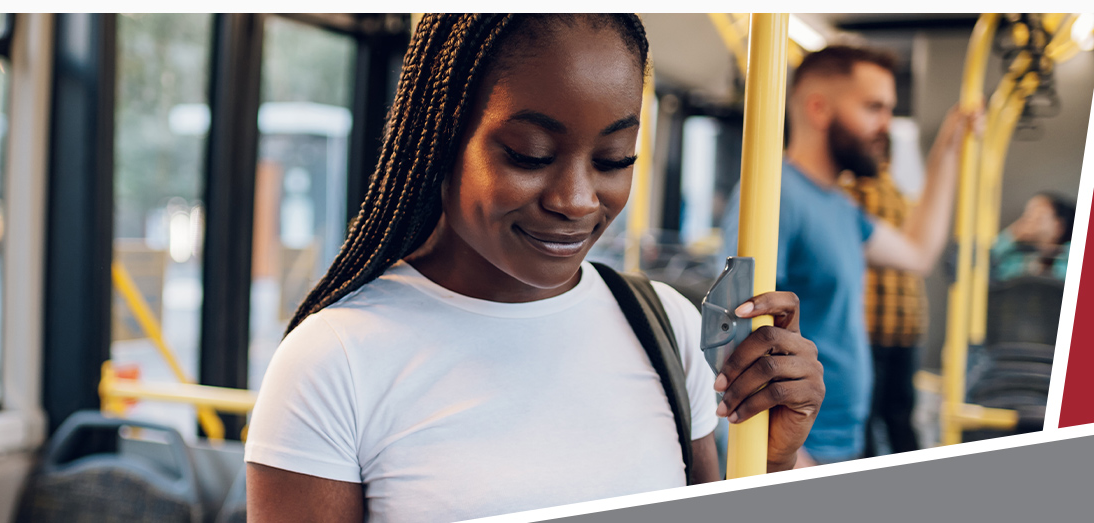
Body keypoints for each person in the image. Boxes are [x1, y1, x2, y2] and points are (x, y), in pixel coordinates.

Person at [246, 15, 828, 523]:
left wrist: (768, 460)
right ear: (440, 138)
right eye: (530, 155)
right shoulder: (333, 362)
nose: (576, 200)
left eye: (613, 160)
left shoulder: (665, 327)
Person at [720, 45, 980, 464]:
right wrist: (788, 456)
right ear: (820, 109)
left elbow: (918, 253)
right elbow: (734, 331)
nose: (886, 125)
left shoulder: (840, 206)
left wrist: (948, 148)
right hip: (800, 448)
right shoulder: (774, 194)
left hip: (844, 441)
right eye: (874, 108)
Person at [840, 132, 926, 456]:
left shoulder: (846, 198)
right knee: (900, 416)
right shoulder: (906, 200)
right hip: (908, 325)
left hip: (869, 326)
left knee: (865, 417)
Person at [993, 192, 1074, 281]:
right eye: (1028, 215)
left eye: (1040, 214)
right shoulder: (1016, 259)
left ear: (1059, 226)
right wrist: (1012, 234)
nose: (1031, 220)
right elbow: (988, 264)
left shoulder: (1069, 255)